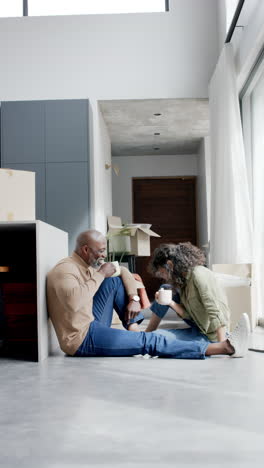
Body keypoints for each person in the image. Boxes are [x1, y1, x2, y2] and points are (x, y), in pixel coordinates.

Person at [46, 230, 249, 359]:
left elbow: (123, 272)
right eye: (100, 251)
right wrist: (100, 274)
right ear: (85, 249)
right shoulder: (66, 270)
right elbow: (74, 303)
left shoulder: (86, 264)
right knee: (150, 342)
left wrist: (134, 299)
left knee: (115, 280)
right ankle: (224, 348)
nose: (103, 255)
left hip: (90, 322)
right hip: (81, 339)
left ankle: (134, 328)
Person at [146, 242, 248, 354]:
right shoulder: (183, 282)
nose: (163, 277)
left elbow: (215, 311)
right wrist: (169, 302)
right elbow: (188, 315)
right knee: (155, 338)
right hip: (199, 329)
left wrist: (221, 343)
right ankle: (147, 334)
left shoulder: (198, 274)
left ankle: (225, 346)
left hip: (213, 335)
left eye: (162, 272)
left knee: (160, 341)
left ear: (170, 265)